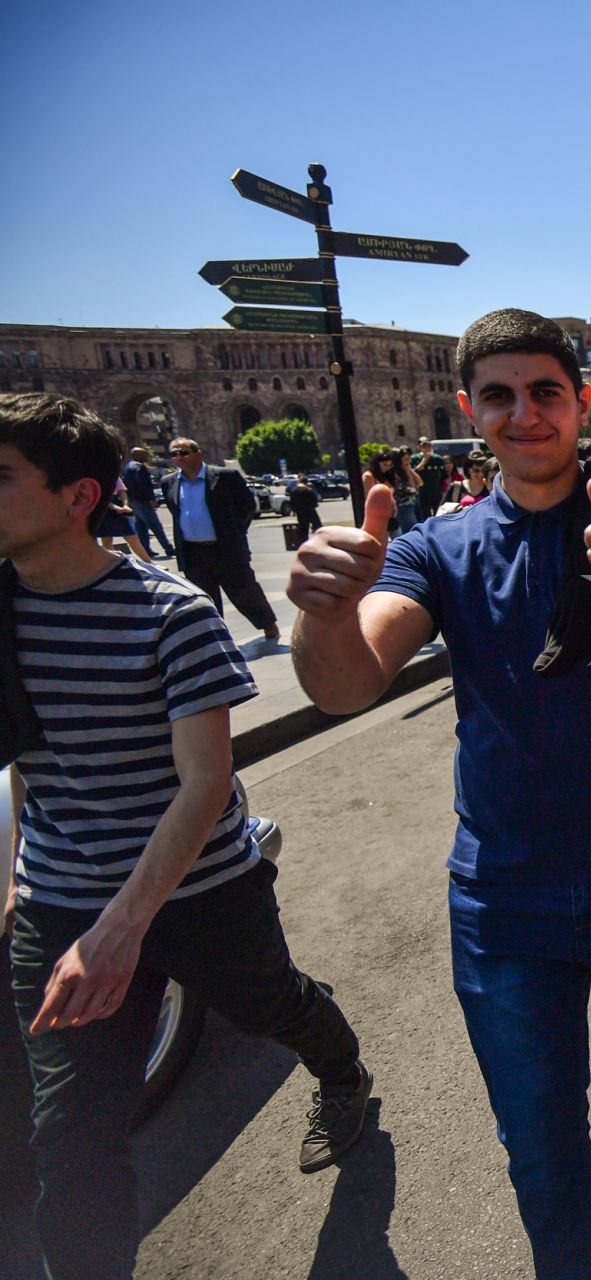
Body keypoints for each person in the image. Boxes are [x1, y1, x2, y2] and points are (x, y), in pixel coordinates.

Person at [287, 308, 591, 1280]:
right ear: (470, 410)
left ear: (580, 402)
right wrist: (321, 615)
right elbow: (342, 682)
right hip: (504, 900)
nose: (524, 413)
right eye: (498, 395)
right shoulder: (437, 545)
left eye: (546, 391)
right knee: (541, 1148)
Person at [1, 393, 369, 1280]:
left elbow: (206, 785)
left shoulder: (169, 613)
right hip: (61, 905)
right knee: (72, 1134)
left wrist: (122, 928)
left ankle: (343, 1073)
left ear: (78, 495)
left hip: (202, 892)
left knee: (270, 1004)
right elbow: (20, 756)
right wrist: (22, 880)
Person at [158, 437, 280, 644]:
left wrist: (235, 532)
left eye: (183, 452)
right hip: (193, 552)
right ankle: (217, 638)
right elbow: (175, 511)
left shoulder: (225, 476)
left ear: (198, 453)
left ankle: (268, 625)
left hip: (226, 548)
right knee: (204, 599)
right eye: (174, 454)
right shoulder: (168, 482)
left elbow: (247, 506)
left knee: (244, 590)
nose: (179, 457)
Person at [122, 445, 173, 558]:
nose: (147, 456)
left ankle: (146, 549)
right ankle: (168, 548)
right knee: (155, 525)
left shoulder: (128, 467)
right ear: (137, 455)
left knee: (141, 527)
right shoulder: (139, 467)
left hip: (134, 501)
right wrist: (151, 498)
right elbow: (144, 485)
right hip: (142, 501)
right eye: (144, 454)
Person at [411, 437, 450, 522]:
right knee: (425, 516)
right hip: (422, 492)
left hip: (436, 491)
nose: (427, 448)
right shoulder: (415, 459)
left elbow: (445, 476)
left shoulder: (437, 459)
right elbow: (412, 473)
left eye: (428, 446)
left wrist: (447, 490)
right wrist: (424, 461)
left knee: (438, 514)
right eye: (424, 446)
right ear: (419, 447)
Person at [286, 474, 322, 541]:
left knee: (303, 529)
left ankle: (304, 542)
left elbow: (292, 502)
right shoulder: (308, 490)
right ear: (306, 482)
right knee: (318, 526)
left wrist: (294, 511)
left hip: (300, 512)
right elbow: (314, 501)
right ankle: (319, 541)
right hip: (310, 511)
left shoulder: (294, 491)